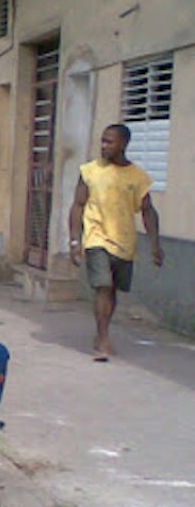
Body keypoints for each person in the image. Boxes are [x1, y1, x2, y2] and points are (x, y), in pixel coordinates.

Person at [68, 123, 164, 362]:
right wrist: (74, 240)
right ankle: (103, 339)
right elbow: (78, 205)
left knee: (112, 290)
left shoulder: (138, 177)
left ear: (123, 144)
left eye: (109, 141)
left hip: (124, 241)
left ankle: (102, 331)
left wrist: (155, 245)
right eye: (102, 140)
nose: (104, 145)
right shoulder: (89, 171)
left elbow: (148, 210)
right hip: (96, 238)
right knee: (102, 285)